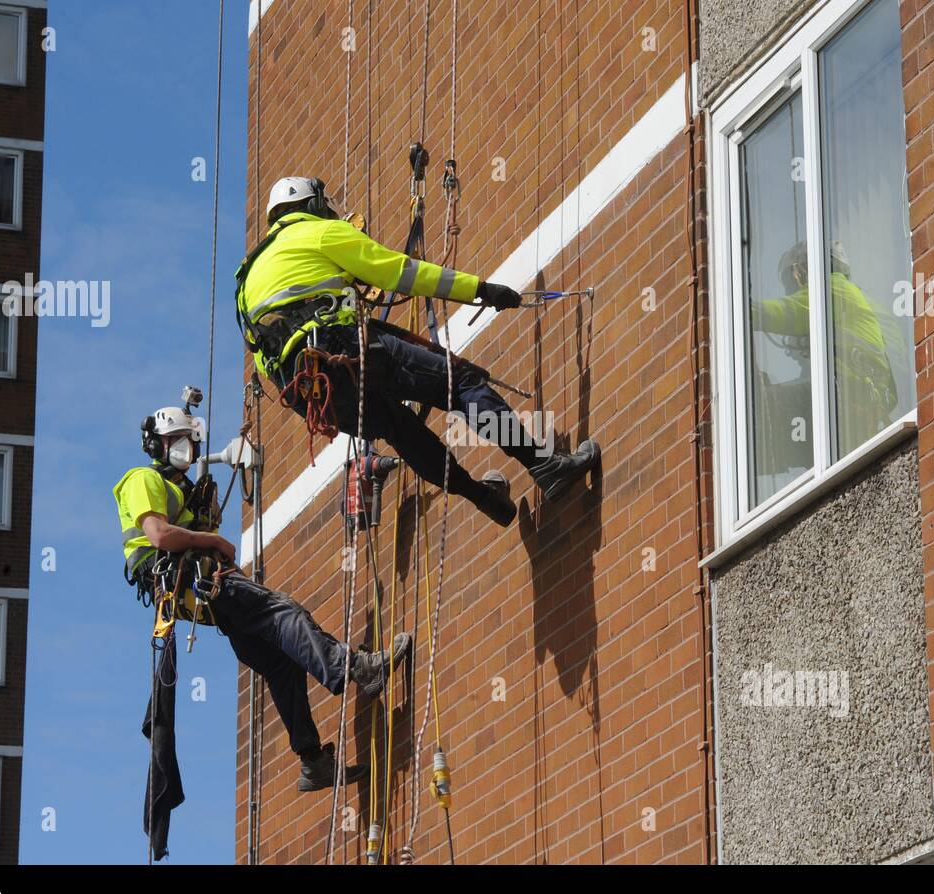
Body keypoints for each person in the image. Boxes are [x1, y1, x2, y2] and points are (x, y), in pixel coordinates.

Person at [234, 176, 599, 526]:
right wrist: (480, 290)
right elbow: (398, 272)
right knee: (461, 383)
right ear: (312, 204)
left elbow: (264, 359)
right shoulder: (320, 231)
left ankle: (482, 497)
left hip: (308, 392)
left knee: (398, 428)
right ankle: (542, 464)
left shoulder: (246, 280)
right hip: (341, 349)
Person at [114, 401, 410, 792]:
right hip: (192, 581)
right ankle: (356, 667)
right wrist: (213, 538)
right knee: (284, 611)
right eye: (176, 441)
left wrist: (205, 521)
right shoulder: (142, 480)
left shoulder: (181, 490)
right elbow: (160, 536)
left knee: (279, 662)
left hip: (201, 586)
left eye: (187, 441)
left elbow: (188, 535)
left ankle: (312, 761)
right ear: (157, 445)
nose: (184, 449)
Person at [751, 240, 898, 460]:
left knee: (759, 416)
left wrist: (739, 308)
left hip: (851, 394)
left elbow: (783, 312)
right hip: (864, 400)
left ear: (801, 271)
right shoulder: (853, 298)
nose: (794, 291)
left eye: (791, 282)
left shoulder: (829, 291)